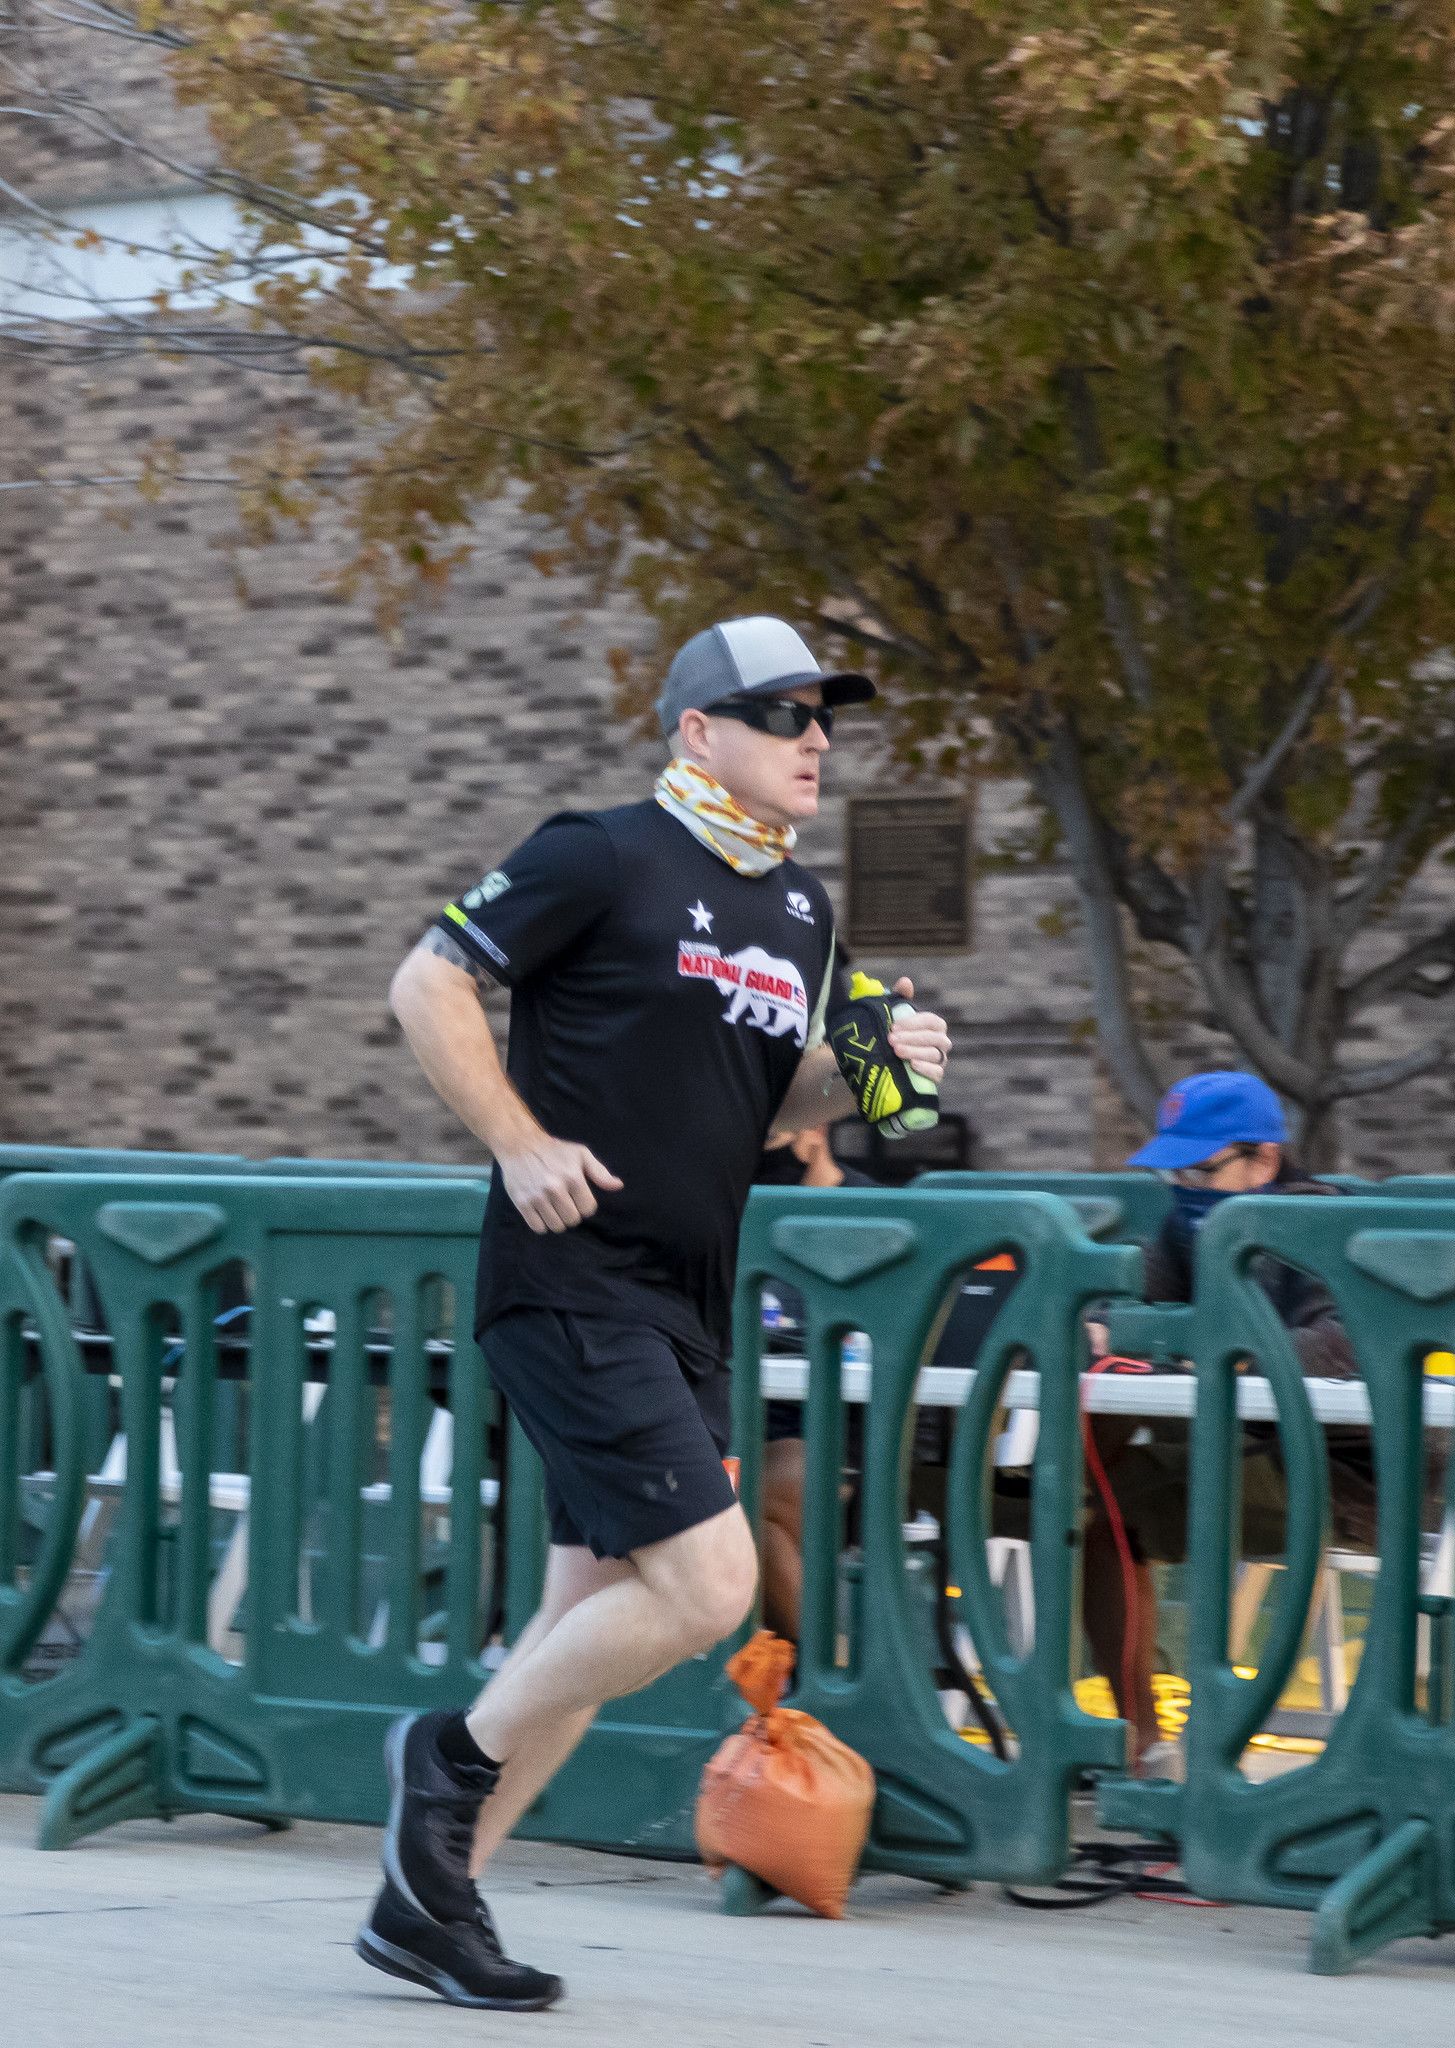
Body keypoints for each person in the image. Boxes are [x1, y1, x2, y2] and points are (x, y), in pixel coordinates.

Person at [359, 617, 952, 2009]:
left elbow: (769, 1100)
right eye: (783, 713)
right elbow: (426, 981)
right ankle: (446, 1757)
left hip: (687, 1303)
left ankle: (428, 1904)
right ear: (698, 730)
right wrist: (518, 1142)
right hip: (571, 1280)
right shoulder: (600, 852)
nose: (816, 739)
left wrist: (868, 1068)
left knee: (589, 1615)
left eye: (825, 716)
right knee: (708, 1585)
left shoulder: (800, 908)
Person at [1084, 1070, 1364, 1771]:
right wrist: (1103, 1323)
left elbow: (1341, 1345)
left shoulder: (1324, 1227)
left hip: (1341, 1476)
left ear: (1264, 1159)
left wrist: (1211, 1352)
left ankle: (1150, 1745)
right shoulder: (1192, 1223)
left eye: (1201, 1170)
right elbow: (1133, 1296)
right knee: (1103, 1510)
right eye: (1173, 1172)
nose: (1185, 1188)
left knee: (1110, 1513)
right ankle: (1143, 1743)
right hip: (1246, 1451)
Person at [753, 1124, 875, 1640]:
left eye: (765, 1138)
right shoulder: (733, 1211)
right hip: (736, 1422)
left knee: (744, 1501)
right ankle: (809, 1671)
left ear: (814, 1130)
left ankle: (818, 1671)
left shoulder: (877, 1219)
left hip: (842, 1436)